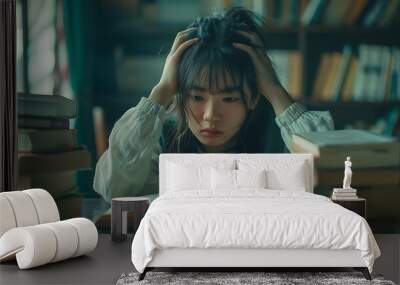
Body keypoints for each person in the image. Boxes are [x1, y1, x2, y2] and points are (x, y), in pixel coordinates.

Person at [93, 7, 334, 203]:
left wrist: (273, 89)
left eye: (229, 99)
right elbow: (113, 188)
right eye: (197, 98)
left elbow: (332, 180)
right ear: (182, 94)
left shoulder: (276, 140)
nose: (210, 116)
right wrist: (161, 90)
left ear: (251, 97)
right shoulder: (162, 138)